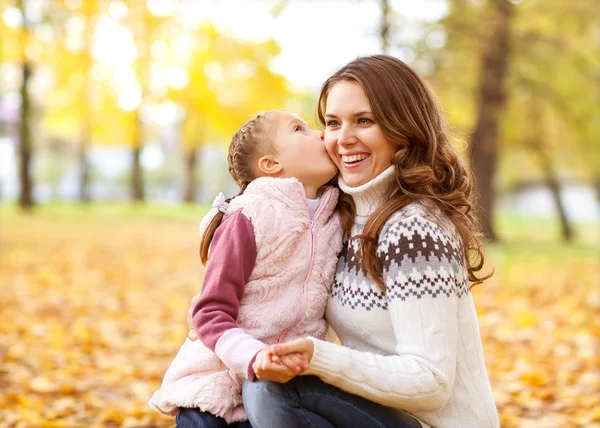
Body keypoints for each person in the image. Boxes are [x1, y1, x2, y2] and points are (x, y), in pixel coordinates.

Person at [242, 55, 500, 428]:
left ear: (403, 127)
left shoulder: (415, 229)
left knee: (274, 389)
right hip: (374, 415)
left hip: (431, 422)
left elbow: (431, 382)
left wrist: (319, 359)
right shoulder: (342, 218)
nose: (343, 139)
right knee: (252, 378)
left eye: (364, 121)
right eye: (332, 123)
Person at [149, 110, 344, 427]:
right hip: (215, 388)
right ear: (270, 164)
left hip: (285, 390)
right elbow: (210, 311)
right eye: (299, 129)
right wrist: (253, 356)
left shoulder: (335, 219)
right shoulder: (250, 215)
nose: (322, 134)